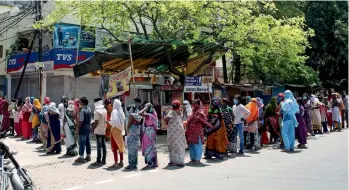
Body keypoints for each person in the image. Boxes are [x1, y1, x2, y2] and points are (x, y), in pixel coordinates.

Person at [185, 99, 211, 163]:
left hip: (197, 131)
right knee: (191, 145)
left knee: (197, 145)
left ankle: (197, 158)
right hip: (191, 132)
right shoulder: (193, 112)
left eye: (195, 104)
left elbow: (203, 119)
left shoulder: (201, 111)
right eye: (193, 103)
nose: (194, 105)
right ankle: (193, 158)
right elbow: (190, 119)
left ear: (199, 105)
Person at [164, 100, 186, 167]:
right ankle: (179, 161)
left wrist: (166, 118)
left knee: (173, 145)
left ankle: (174, 161)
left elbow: (165, 120)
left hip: (173, 132)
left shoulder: (172, 112)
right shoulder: (180, 112)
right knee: (179, 145)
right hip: (179, 131)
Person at [139, 103, 159, 168]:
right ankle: (153, 162)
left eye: (146, 107)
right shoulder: (153, 115)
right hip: (152, 131)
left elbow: (140, 113)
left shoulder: (149, 115)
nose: (145, 109)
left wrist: (145, 108)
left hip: (148, 132)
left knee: (148, 147)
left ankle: (151, 162)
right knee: (151, 147)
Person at [109, 99, 126, 169]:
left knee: (114, 147)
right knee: (120, 146)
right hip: (120, 131)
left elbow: (114, 122)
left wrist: (109, 123)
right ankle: (121, 161)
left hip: (114, 130)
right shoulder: (121, 112)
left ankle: (116, 162)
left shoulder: (114, 111)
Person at [91, 98, 107, 166]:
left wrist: (92, 128)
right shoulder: (104, 110)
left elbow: (96, 122)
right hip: (103, 129)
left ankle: (98, 161)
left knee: (99, 146)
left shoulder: (97, 111)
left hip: (98, 130)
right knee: (103, 145)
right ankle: (103, 160)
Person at [75, 97, 92, 163]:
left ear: (83, 103)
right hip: (88, 128)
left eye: (80, 102)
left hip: (83, 128)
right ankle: (88, 155)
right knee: (88, 142)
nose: (79, 103)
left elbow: (81, 120)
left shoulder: (82, 110)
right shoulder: (89, 109)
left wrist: (78, 127)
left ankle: (81, 157)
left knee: (81, 143)